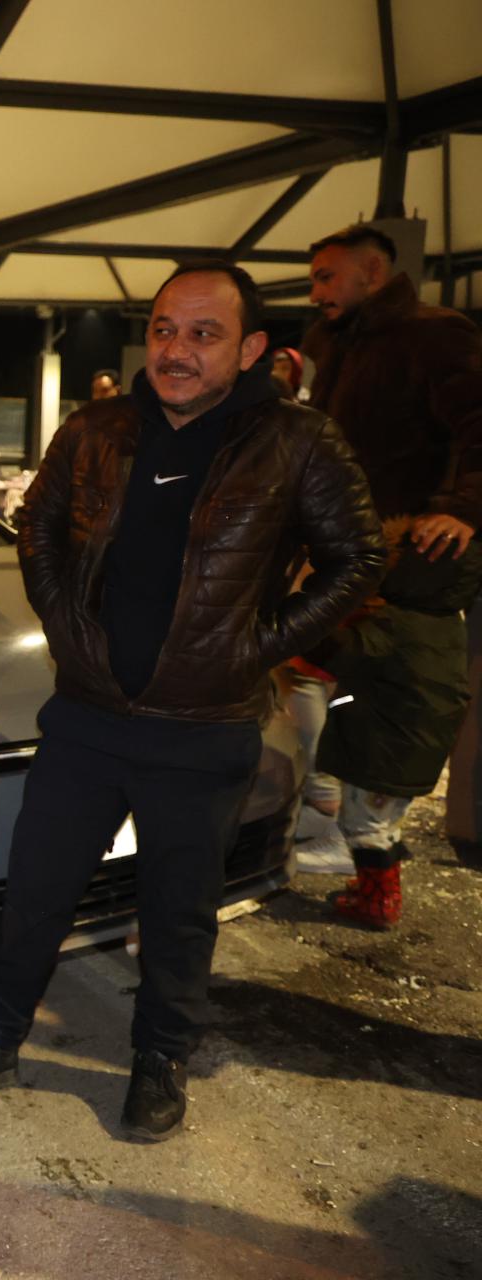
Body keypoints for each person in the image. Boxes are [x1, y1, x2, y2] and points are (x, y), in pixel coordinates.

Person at [0, 262, 384, 1142]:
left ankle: (160, 1058)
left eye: (203, 334)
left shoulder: (298, 441)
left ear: (250, 349)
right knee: (35, 894)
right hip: (86, 718)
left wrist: (253, 644)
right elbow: (39, 524)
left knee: (178, 913)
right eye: (164, 329)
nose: (176, 349)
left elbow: (359, 558)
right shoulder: (99, 429)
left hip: (204, 730)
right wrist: (63, 622)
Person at [300, 223, 482, 922]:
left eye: (326, 276)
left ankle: (369, 863)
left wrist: (462, 510)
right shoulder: (336, 343)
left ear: (371, 272)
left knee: (389, 698)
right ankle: (341, 832)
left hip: (408, 564)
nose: (315, 292)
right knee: (329, 683)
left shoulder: (436, 335)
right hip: (350, 553)